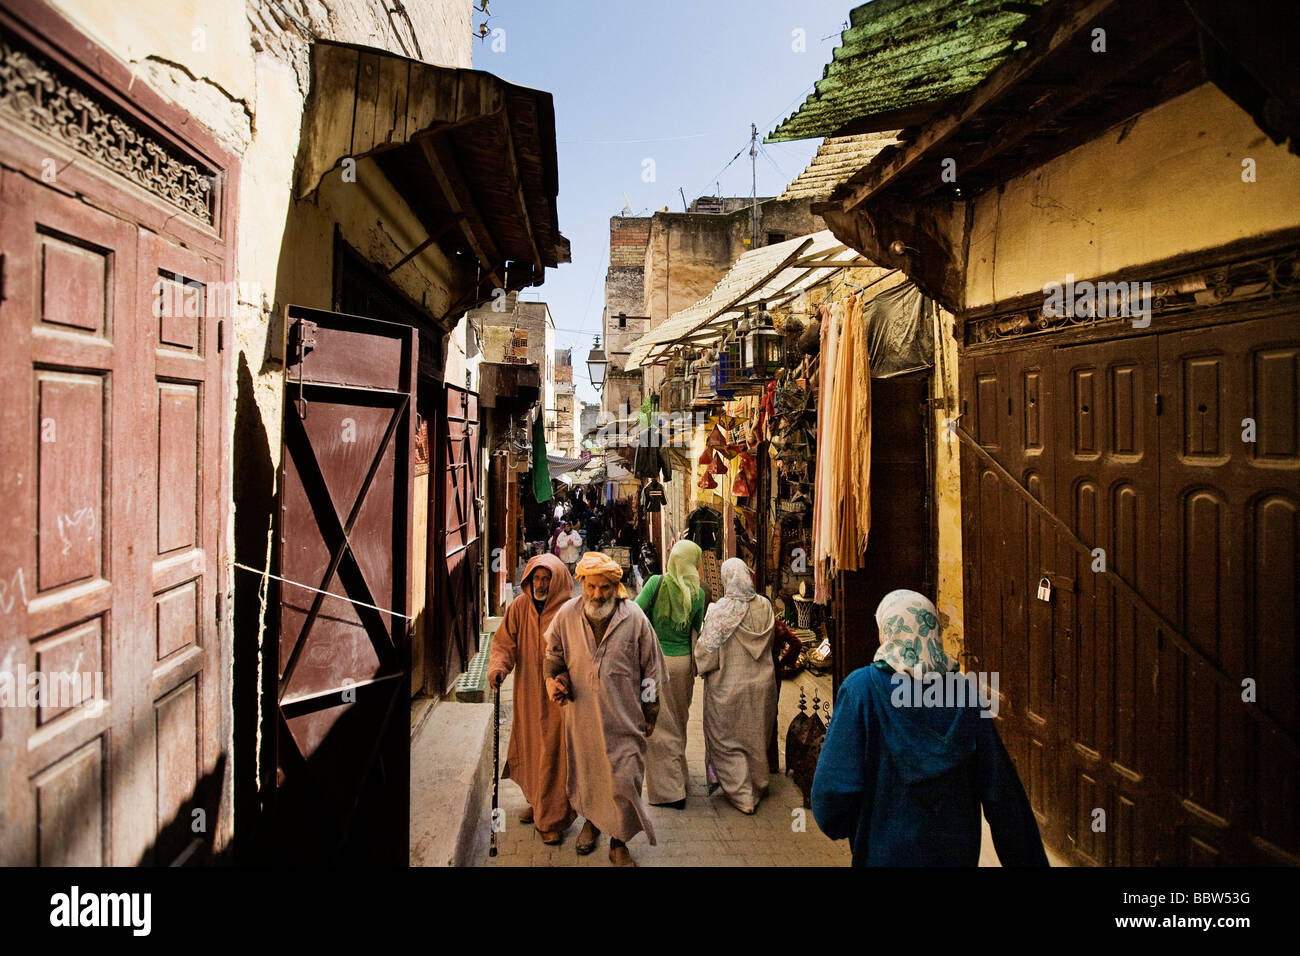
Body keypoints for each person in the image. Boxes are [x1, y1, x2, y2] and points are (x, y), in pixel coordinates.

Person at [811, 589, 1049, 866]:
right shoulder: (965, 694)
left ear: (886, 633)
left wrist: (845, 825)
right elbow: (1003, 796)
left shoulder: (861, 689)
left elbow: (831, 792)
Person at [544, 551, 666, 867]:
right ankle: (592, 823)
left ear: (616, 586)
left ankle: (618, 842)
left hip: (625, 720)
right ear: (581, 583)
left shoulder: (634, 618)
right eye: (592, 587)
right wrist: (552, 680)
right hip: (582, 717)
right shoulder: (567, 615)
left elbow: (651, 669)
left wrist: (650, 710)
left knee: (624, 780)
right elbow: (553, 655)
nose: (598, 594)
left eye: (605, 588)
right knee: (590, 776)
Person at [486, 554, 576, 844]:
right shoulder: (519, 607)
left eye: (545, 579)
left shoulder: (568, 611)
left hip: (558, 697)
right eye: (536, 578)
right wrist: (499, 667)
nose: (540, 584)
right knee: (531, 746)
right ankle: (538, 803)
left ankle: (552, 818)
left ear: (556, 581)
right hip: (527, 693)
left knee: (554, 753)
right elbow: (503, 643)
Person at [694, 558, 776, 815]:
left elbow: (707, 653)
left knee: (728, 742)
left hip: (727, 689)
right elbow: (771, 642)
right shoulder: (764, 606)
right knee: (755, 738)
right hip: (762, 687)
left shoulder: (720, 612)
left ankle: (742, 794)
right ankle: (758, 783)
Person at [636, 539, 706, 809]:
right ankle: (679, 776)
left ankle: (670, 792)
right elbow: (697, 629)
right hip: (683, 667)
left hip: (654, 665)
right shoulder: (698, 592)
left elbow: (634, 612)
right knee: (677, 721)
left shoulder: (656, 583)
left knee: (655, 725)